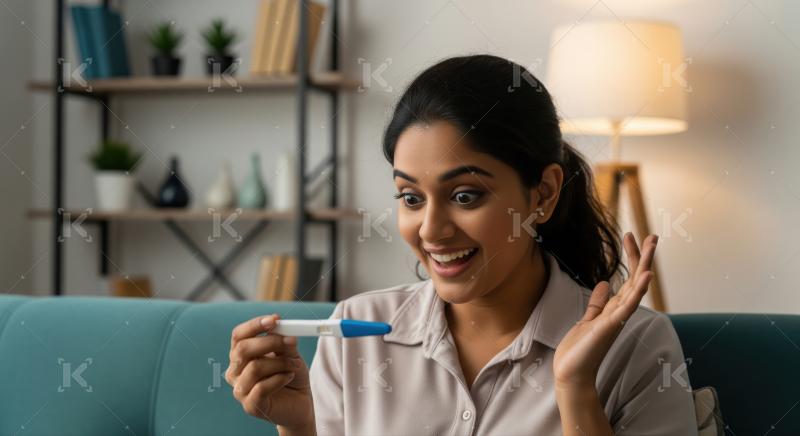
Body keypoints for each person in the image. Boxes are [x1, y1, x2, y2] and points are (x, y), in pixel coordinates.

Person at [225, 54, 698, 435]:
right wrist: (300, 426)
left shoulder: (635, 345)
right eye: (411, 197)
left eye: (465, 195)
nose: (431, 230)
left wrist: (574, 389)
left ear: (544, 194)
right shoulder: (354, 330)